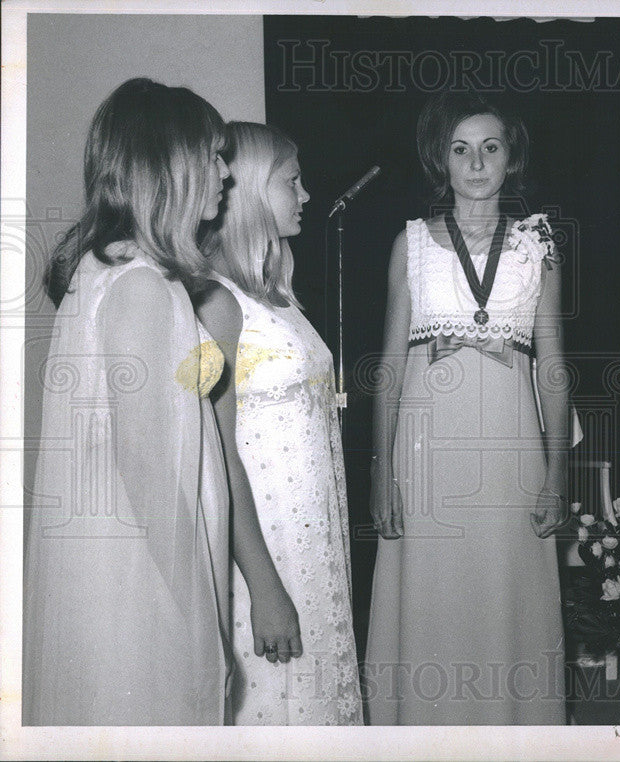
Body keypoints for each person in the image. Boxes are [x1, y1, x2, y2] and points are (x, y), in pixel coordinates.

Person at [23, 79, 299, 725]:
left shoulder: (111, 272)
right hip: (141, 586)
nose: (224, 171)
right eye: (210, 154)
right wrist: (199, 625)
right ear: (168, 165)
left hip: (129, 569)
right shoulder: (142, 287)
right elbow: (150, 472)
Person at [364, 92, 569, 725]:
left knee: (506, 594)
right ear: (439, 160)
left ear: (512, 158)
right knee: (432, 595)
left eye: (490, 147)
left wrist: (559, 472)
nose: (476, 163)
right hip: (426, 446)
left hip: (510, 443)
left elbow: (555, 366)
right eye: (460, 149)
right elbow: (391, 365)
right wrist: (381, 469)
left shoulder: (538, 244)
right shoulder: (412, 244)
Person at [198, 122, 363, 725]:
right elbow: (210, 445)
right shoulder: (215, 304)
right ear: (247, 193)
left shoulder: (281, 296)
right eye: (292, 182)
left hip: (313, 544)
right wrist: (264, 587)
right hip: (263, 555)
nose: (307, 195)